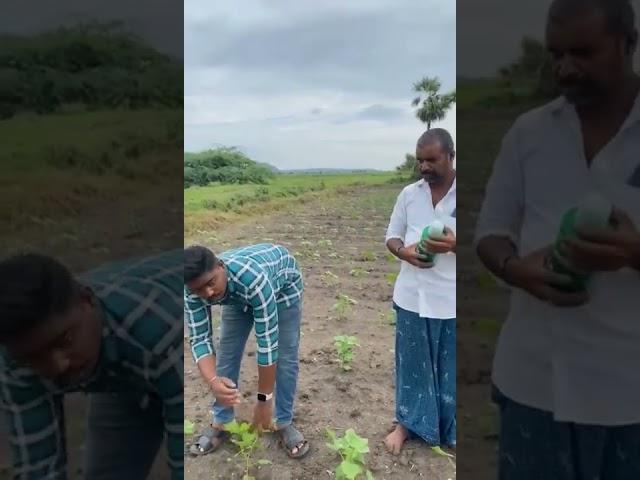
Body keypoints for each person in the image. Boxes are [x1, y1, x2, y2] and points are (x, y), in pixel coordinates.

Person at [475, 0, 640, 477]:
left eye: (584, 53)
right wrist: (515, 269)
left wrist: (635, 252)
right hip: (534, 384)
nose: (566, 69)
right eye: (557, 54)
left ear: (629, 44)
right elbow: (491, 233)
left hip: (629, 398)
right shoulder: (529, 134)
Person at [0, 250, 184, 480]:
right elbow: (38, 469)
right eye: (34, 357)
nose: (58, 365)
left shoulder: (162, 332)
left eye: (64, 340)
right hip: (122, 373)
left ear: (88, 301)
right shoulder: (16, 361)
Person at [184, 243, 309, 459]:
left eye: (210, 283)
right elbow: (200, 338)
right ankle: (222, 421)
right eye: (198, 289)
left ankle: (283, 421)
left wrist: (264, 400)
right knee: (227, 354)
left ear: (220, 267)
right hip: (235, 296)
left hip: (282, 289)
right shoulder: (193, 290)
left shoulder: (254, 279)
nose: (208, 293)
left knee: (285, 357)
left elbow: (268, 344)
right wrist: (214, 382)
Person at [384, 128, 457, 454]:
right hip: (412, 295)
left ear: (451, 156)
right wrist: (404, 252)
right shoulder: (409, 194)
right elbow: (392, 236)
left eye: (431, 160)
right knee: (411, 365)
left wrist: (456, 244)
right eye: (420, 161)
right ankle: (406, 425)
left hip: (451, 298)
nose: (424, 167)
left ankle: (450, 430)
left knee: (451, 367)